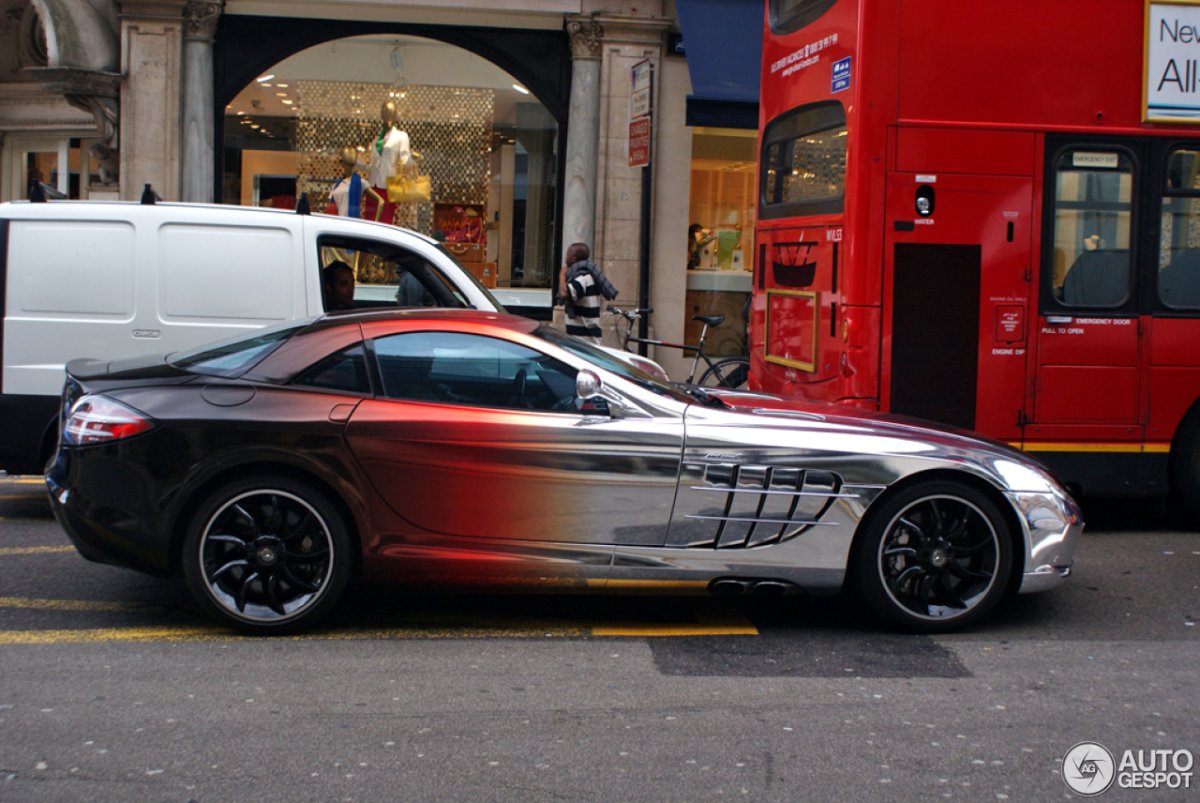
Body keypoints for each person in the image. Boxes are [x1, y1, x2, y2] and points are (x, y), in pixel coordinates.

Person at [359, 101, 412, 225]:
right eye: (384, 111)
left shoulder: (401, 136)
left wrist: (413, 160)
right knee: (369, 223)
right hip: (372, 188)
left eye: (389, 111)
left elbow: (406, 161)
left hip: (387, 188)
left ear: (395, 114)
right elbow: (373, 167)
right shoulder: (376, 139)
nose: (386, 114)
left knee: (385, 223)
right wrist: (358, 163)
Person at [559, 242, 618, 344]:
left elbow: (564, 293)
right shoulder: (588, 276)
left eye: (568, 255)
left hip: (584, 341)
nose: (566, 257)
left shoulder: (582, 279)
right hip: (586, 339)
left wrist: (562, 275)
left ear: (573, 259)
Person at [326, 147, 383, 220]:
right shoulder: (335, 186)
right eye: (348, 164)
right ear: (342, 164)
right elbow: (330, 205)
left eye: (351, 165)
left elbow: (381, 202)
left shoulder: (361, 182)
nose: (349, 167)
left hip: (351, 224)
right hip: (336, 224)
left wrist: (375, 223)